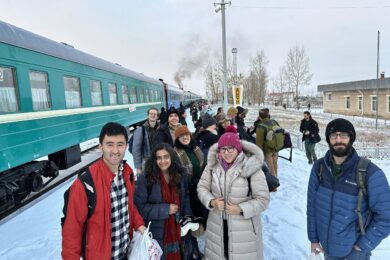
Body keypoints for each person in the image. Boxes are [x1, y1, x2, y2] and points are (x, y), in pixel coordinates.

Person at [307, 118, 390, 260]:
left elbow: (386, 216)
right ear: (328, 139)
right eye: (334, 136)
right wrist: (313, 239)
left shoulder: (369, 172)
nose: (338, 140)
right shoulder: (319, 168)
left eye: (344, 135)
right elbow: (312, 207)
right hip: (327, 249)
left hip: (355, 252)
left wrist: (362, 246)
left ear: (351, 138)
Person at [62, 122, 146, 260]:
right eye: (109, 144)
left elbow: (128, 207)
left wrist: (139, 224)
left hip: (126, 253)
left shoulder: (127, 173)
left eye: (120, 144)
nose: (115, 150)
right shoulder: (85, 184)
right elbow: (72, 232)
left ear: (126, 146)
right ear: (100, 146)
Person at [197, 126, 270, 259]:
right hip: (217, 227)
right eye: (223, 149)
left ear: (238, 149)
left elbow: (263, 200)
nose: (227, 152)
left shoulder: (251, 167)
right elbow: (202, 188)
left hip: (244, 231)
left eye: (231, 148)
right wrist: (211, 201)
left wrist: (240, 209)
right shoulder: (212, 166)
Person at [135, 143, 192, 259]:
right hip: (156, 234)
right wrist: (165, 209)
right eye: (158, 158)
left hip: (179, 229)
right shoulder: (145, 178)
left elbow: (185, 197)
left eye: (166, 157)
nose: (162, 161)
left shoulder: (179, 175)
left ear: (172, 157)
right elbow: (139, 208)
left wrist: (187, 217)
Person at [173, 125, 207, 234]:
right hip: (187, 189)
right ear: (177, 138)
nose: (185, 137)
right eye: (181, 136)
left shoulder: (195, 148)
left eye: (187, 134)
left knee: (203, 211)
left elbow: (204, 165)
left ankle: (200, 228)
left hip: (201, 185)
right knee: (194, 213)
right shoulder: (175, 152)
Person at [132, 107, 160, 176]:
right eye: (151, 114)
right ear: (148, 115)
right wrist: (138, 167)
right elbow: (136, 150)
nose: (153, 115)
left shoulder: (161, 128)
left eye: (155, 114)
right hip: (147, 161)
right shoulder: (141, 130)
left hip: (159, 160)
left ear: (157, 116)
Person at [256, 108, 280, 177]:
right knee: (275, 166)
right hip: (276, 148)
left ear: (260, 117)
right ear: (268, 115)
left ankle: (274, 186)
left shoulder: (261, 126)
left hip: (268, 151)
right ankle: (276, 180)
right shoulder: (274, 122)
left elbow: (259, 143)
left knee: (270, 170)